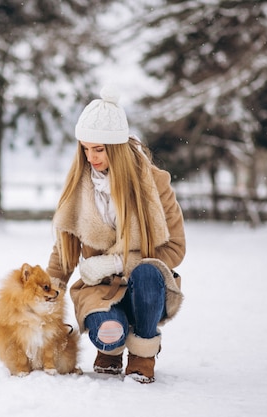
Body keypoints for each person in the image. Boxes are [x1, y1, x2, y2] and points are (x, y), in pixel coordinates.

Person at [46, 85, 186, 383]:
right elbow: (63, 250)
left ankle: (142, 355)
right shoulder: (78, 186)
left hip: (146, 287)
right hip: (99, 289)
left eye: (99, 149)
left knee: (148, 274)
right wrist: (47, 291)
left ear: (118, 148)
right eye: (85, 148)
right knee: (109, 333)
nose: (91, 157)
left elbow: (175, 248)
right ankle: (111, 346)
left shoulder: (154, 184)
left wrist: (117, 263)